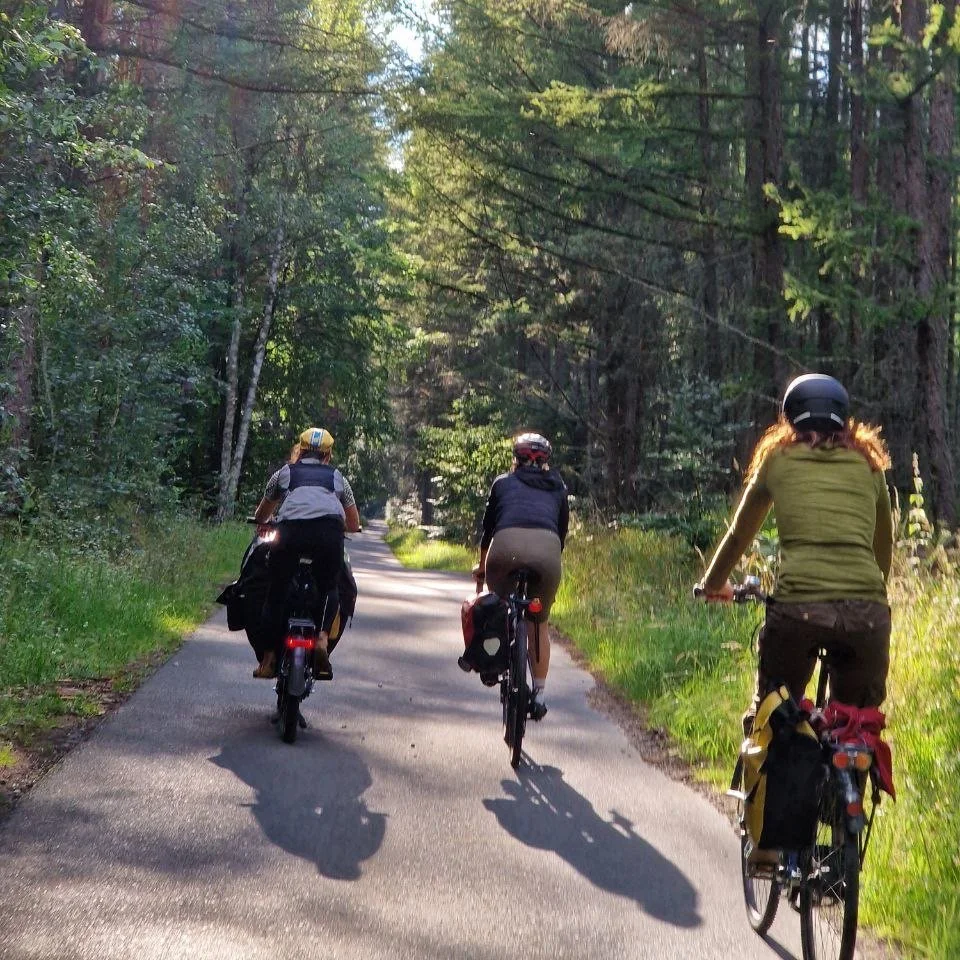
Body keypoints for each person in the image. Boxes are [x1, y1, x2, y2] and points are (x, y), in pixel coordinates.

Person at [696, 374, 893, 861]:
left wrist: (714, 583)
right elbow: (882, 544)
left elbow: (741, 534)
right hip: (868, 616)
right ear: (843, 420)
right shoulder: (868, 465)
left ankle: (765, 847)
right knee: (857, 724)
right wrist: (870, 596)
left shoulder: (778, 460)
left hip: (797, 609)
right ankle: (844, 822)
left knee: (776, 713)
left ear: (789, 418)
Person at [252, 427, 362, 680]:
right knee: (329, 586)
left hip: (290, 535)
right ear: (328, 454)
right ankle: (322, 639)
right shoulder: (338, 478)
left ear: (300, 451)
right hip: (328, 536)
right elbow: (354, 523)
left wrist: (263, 520)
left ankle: (268, 660)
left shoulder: (283, 474)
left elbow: (262, 514)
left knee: (276, 591)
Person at [474, 432, 570, 720]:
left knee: (501, 606)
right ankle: (539, 694)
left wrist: (480, 570)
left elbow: (487, 531)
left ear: (515, 459)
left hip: (504, 551)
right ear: (545, 462)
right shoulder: (559, 487)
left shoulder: (503, 483)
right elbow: (561, 534)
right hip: (548, 554)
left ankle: (495, 662)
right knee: (538, 624)